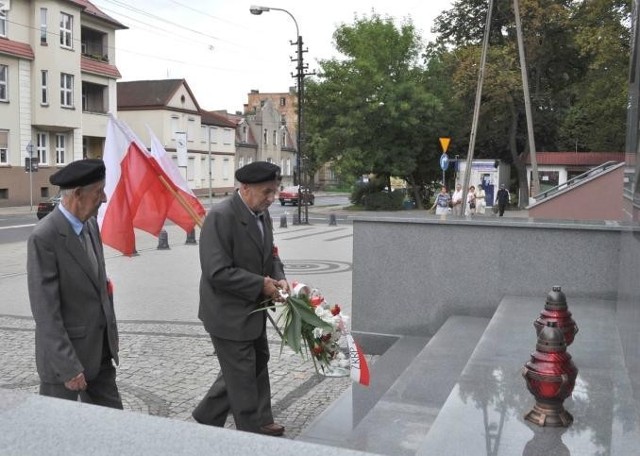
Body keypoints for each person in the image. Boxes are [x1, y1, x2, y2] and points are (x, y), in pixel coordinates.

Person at [193, 161, 289, 437]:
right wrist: (262, 285)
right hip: (227, 313)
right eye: (266, 192)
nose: (272, 198)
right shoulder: (221, 216)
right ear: (245, 189)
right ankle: (250, 433)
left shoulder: (261, 213)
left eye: (275, 191)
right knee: (242, 375)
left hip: (253, 308)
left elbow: (270, 254)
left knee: (257, 361)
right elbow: (216, 272)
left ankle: (208, 414)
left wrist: (278, 276)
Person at [27, 159, 122, 408]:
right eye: (99, 191)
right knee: (58, 437)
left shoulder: (91, 225)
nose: (104, 198)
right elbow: (46, 312)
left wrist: (111, 334)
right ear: (78, 194)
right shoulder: (44, 237)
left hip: (99, 355)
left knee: (116, 428)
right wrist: (68, 367)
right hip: (64, 365)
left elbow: (100, 286)